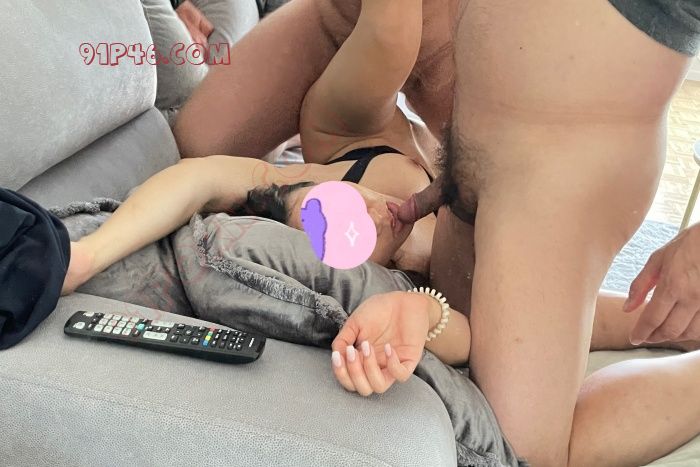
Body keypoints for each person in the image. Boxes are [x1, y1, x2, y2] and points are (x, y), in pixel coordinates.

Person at [172, 0, 700, 464]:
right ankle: (676, 330)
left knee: (517, 450)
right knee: (477, 336)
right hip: (475, 150)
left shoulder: (345, 132)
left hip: (556, 169)